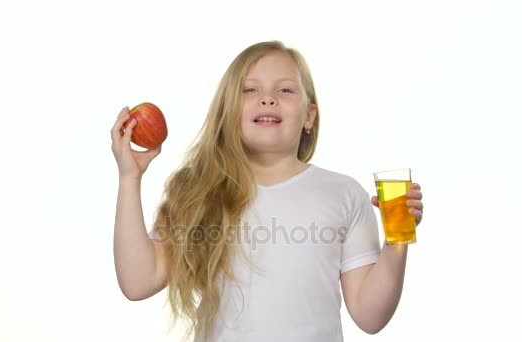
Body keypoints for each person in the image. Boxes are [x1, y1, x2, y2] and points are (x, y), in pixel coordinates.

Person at [111, 40, 424, 342]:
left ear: (309, 116)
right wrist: (130, 178)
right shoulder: (199, 192)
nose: (268, 98)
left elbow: (370, 316)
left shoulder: (344, 194)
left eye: (285, 90)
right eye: (250, 90)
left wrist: (397, 237)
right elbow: (138, 282)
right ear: (229, 112)